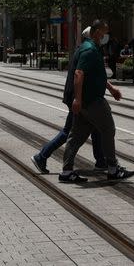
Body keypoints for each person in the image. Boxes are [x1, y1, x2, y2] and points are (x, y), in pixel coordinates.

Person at [59, 20, 134, 183]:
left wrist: (111, 88)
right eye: (104, 32)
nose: (105, 36)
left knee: (77, 136)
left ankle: (66, 172)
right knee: (108, 130)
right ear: (96, 32)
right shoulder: (90, 50)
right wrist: (77, 100)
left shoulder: (88, 48)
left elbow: (95, 75)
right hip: (92, 101)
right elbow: (79, 74)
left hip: (86, 102)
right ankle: (113, 168)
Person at [32, 27, 105, 174]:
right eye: (99, 35)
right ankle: (42, 156)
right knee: (68, 131)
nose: (102, 38)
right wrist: (78, 99)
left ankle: (101, 161)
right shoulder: (87, 52)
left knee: (97, 128)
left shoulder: (84, 49)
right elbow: (79, 74)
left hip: (82, 98)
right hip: (79, 99)